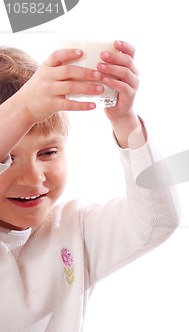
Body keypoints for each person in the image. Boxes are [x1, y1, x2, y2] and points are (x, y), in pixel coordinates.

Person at [0, 41, 179, 331]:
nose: (34, 178)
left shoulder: (72, 229)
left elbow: (158, 219)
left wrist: (124, 121)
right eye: (6, 158)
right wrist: (23, 110)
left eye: (48, 153)